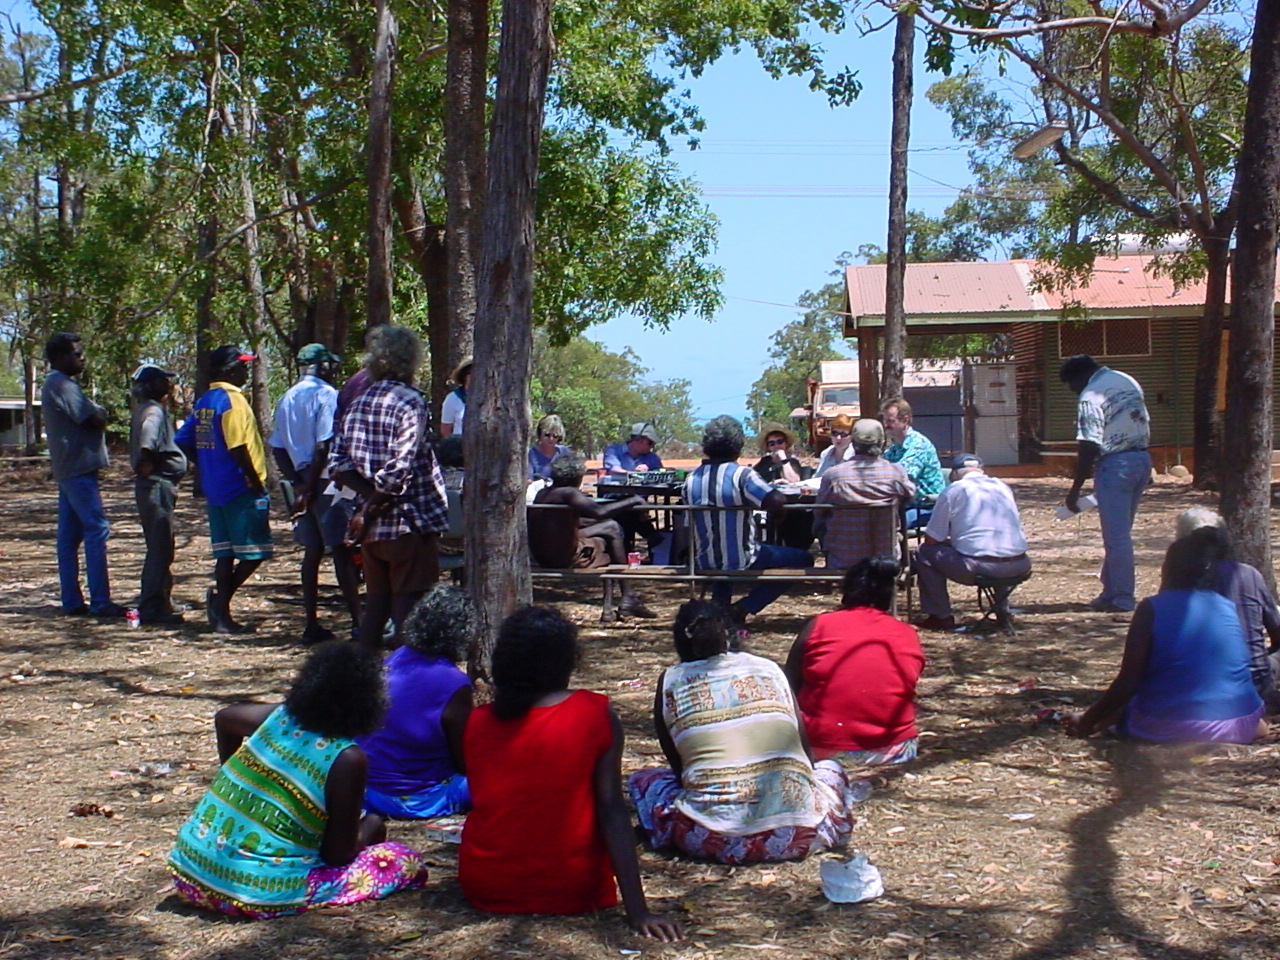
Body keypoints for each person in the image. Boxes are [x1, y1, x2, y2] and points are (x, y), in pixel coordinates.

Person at [459, 606, 683, 941]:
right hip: (572, 887)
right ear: (566, 662)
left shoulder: (477, 721)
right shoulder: (593, 713)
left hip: (488, 884)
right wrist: (638, 911)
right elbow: (611, 810)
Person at [167, 641, 429, 917]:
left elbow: (225, 718)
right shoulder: (346, 758)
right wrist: (371, 825)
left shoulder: (281, 717)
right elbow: (338, 856)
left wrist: (232, 774)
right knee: (404, 860)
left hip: (190, 873)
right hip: (254, 892)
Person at [629, 600, 858, 865]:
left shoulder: (671, 679)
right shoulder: (769, 668)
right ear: (732, 633)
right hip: (802, 833)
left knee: (644, 781)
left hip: (712, 838)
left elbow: (680, 769)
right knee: (830, 768)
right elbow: (805, 754)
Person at [1065, 532, 1265, 744]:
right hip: (1241, 722)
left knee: (1130, 711)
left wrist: (1088, 720)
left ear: (1168, 570)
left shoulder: (1151, 608)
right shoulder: (1225, 605)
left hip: (1173, 726)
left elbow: (1127, 683)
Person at [330, 326, 448, 647]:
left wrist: (366, 510)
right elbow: (399, 468)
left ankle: (362, 680)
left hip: (372, 529)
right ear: (411, 361)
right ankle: (405, 687)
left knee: (377, 607)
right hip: (408, 522)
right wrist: (370, 509)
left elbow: (337, 463)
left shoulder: (358, 402)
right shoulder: (410, 402)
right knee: (410, 612)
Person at [786, 557, 925, 768]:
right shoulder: (906, 633)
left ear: (847, 590)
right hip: (892, 749)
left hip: (821, 747)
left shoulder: (820, 625)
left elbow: (789, 686)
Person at [175, 345, 272, 634]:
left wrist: (205, 465)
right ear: (230, 371)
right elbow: (239, 445)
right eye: (243, 366)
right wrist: (254, 480)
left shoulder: (206, 400)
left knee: (225, 553)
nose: (246, 371)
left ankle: (222, 613)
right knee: (256, 551)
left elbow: (184, 439)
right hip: (239, 488)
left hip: (216, 488)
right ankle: (221, 603)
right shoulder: (233, 401)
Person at [358, 585, 476, 818]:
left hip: (367, 792)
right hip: (419, 798)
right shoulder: (454, 683)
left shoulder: (395, 658)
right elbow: (463, 760)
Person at [683, 416, 811, 624]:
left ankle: (720, 607)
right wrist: (778, 515)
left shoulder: (691, 478)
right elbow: (775, 499)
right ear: (738, 446)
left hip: (704, 558)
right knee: (804, 559)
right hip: (743, 557)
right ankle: (745, 607)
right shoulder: (741, 474)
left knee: (723, 557)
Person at [1060, 354, 1151, 613]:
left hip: (1115, 464)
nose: (1072, 390)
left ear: (1081, 376)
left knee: (1116, 537)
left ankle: (1123, 597)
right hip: (1141, 458)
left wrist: (1076, 488)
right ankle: (1110, 591)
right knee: (1120, 533)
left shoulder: (1090, 396)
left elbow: (1089, 444)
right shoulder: (1124, 380)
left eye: (1071, 384)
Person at [42, 332, 124, 617]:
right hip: (77, 469)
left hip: (71, 469)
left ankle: (72, 601)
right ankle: (100, 601)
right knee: (96, 529)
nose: (81, 358)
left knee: (69, 536)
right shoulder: (62, 384)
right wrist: (98, 410)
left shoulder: (61, 384)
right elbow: (95, 418)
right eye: (76, 354)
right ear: (61, 357)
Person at [269, 343, 346, 643]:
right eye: (330, 365)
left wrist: (297, 485)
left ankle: (311, 622)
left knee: (312, 552)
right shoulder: (326, 395)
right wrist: (310, 487)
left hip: (303, 479)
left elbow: (278, 448)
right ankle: (357, 623)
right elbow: (323, 445)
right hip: (325, 480)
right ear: (322, 366)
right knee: (339, 548)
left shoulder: (286, 398)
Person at [528, 452, 656, 621]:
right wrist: (633, 501)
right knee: (612, 531)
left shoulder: (544, 493)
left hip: (542, 556)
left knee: (609, 530)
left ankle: (621, 601)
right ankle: (625, 599)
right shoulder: (569, 493)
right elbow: (598, 511)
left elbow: (574, 521)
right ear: (576, 477)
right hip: (562, 558)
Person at [913, 453, 1032, 632]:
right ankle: (1003, 610)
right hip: (1020, 564)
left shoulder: (954, 490)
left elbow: (932, 539)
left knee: (924, 553)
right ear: (981, 471)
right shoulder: (1002, 487)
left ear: (954, 474)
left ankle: (940, 616)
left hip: (979, 568)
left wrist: (950, 542)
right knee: (998, 549)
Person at [1175, 509, 1280, 708]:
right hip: (1251, 683)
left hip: (1194, 683)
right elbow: (1277, 631)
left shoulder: (1177, 579)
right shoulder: (1248, 574)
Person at [129, 364, 187, 626]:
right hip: (157, 484)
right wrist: (149, 461)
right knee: (160, 548)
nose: (169, 385)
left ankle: (162, 599)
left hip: (156, 484)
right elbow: (148, 441)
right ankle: (152, 607)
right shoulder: (153, 411)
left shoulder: (147, 409)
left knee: (163, 546)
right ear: (152, 385)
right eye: (163, 381)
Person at [816, 418, 914, 574]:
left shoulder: (833, 475)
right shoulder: (896, 473)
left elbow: (819, 510)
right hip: (885, 558)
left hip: (843, 558)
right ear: (882, 443)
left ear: (853, 443)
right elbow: (910, 497)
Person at [881, 397, 945, 529]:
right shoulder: (894, 448)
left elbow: (903, 475)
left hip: (927, 507)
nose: (885, 425)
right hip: (903, 506)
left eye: (890, 421)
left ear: (905, 420)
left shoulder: (918, 445)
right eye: (884, 420)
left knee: (889, 525)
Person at [752, 423, 812, 550]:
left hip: (790, 508)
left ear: (786, 444)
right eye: (772, 443)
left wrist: (784, 460)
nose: (776, 446)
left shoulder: (792, 462)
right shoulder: (764, 463)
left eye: (780, 442)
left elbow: (795, 481)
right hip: (768, 507)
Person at [528, 413, 571, 480]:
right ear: (540, 434)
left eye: (555, 436)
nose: (551, 439)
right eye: (547, 435)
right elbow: (529, 480)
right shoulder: (531, 454)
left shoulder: (565, 452)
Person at [440, 357, 471, 437]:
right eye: (470, 373)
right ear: (464, 376)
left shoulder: (492, 398)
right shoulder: (453, 398)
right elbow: (445, 431)